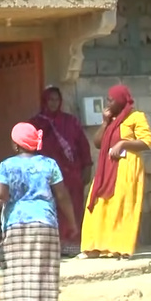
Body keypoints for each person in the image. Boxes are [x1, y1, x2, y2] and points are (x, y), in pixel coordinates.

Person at [0, 123, 78, 301]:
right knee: (46, 271)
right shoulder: (49, 165)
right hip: (44, 223)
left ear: (16, 145)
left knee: (15, 272)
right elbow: (62, 195)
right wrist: (72, 223)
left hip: (15, 224)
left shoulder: (6, 166)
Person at [80, 85, 151, 260]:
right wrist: (105, 122)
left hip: (125, 168)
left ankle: (120, 248)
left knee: (122, 205)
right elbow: (98, 143)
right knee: (98, 204)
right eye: (108, 99)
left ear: (120, 100)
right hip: (106, 168)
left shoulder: (136, 117)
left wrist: (123, 144)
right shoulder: (111, 120)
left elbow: (147, 142)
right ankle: (94, 247)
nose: (108, 102)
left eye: (111, 100)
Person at [28, 86, 93, 257]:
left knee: (73, 206)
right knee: (50, 208)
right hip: (46, 174)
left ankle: (71, 244)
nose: (54, 103)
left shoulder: (70, 121)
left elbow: (83, 145)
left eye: (57, 100)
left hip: (71, 174)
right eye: (50, 99)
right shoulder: (36, 123)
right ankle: (51, 246)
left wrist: (87, 166)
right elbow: (30, 148)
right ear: (44, 101)